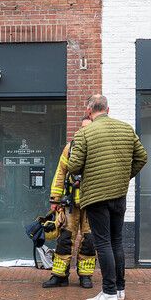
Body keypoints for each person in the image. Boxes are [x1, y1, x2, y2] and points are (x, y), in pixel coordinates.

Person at [67, 95, 147, 300]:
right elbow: (142, 157)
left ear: (88, 111)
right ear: (108, 109)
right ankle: (120, 289)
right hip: (119, 195)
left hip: (95, 196)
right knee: (117, 241)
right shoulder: (126, 129)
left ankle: (109, 293)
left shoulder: (84, 133)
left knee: (102, 243)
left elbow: (73, 166)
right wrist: (123, 177)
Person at [44, 116, 96, 289]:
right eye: (81, 128)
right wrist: (55, 199)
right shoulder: (70, 148)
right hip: (70, 204)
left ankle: (85, 276)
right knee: (65, 238)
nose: (83, 131)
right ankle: (59, 275)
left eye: (88, 128)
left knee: (90, 240)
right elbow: (60, 173)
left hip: (92, 203)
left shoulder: (99, 148)